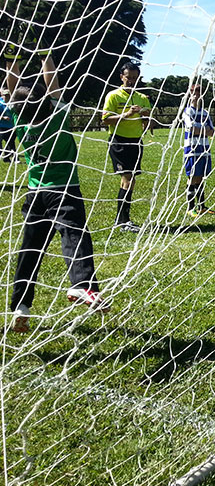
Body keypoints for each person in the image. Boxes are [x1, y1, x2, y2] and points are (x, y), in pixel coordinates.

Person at [6, 52, 108, 333]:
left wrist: (10, 59)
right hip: (64, 191)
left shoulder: (19, 119)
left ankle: (21, 306)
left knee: (30, 250)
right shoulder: (57, 118)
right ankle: (82, 285)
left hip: (34, 193)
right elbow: (52, 83)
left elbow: (14, 89)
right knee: (75, 234)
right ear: (48, 103)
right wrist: (46, 56)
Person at [102, 62, 152, 233]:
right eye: (128, 77)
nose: (130, 81)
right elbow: (105, 119)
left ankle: (122, 219)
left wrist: (146, 118)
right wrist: (127, 114)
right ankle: (123, 221)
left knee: (131, 181)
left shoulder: (143, 98)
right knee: (127, 179)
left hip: (136, 141)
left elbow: (148, 121)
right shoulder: (113, 96)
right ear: (121, 77)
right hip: (119, 141)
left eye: (134, 78)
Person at [182, 83, 215, 216]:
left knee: (200, 177)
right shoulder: (187, 111)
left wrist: (202, 131)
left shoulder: (205, 113)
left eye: (198, 93)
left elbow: (212, 132)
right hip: (191, 148)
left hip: (204, 148)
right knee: (192, 176)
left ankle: (201, 206)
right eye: (193, 93)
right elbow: (192, 129)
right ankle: (190, 208)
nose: (196, 95)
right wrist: (204, 130)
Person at [0, 86, 17, 162]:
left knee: (11, 142)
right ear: (2, 95)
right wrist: (3, 117)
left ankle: (7, 158)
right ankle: (12, 158)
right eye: (5, 95)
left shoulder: (13, 102)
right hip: (2, 126)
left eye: (8, 95)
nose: (7, 97)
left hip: (11, 126)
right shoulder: (0, 103)